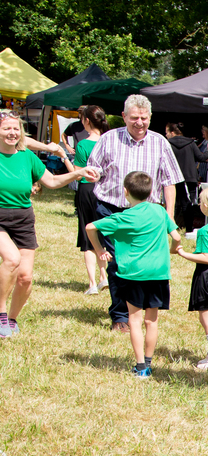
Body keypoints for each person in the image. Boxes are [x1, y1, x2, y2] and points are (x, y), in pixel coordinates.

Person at [87, 94, 184, 334]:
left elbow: (169, 181)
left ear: (150, 117)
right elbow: (93, 170)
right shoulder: (109, 139)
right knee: (117, 262)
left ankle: (141, 309)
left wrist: (168, 216)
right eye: (134, 118)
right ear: (123, 117)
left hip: (146, 213)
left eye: (143, 118)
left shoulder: (160, 142)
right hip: (112, 208)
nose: (139, 123)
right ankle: (120, 315)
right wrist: (90, 174)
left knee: (141, 263)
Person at [0, 110, 98, 339]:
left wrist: (78, 173)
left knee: (25, 277)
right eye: (7, 128)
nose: (12, 133)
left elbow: (52, 181)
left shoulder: (27, 157)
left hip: (23, 217)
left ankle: (12, 319)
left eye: (16, 129)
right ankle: (1, 314)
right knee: (12, 260)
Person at [86, 171, 181, 376]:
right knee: (152, 321)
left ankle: (140, 367)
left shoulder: (122, 217)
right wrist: (174, 248)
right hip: (158, 274)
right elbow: (177, 236)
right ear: (151, 192)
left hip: (132, 275)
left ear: (125, 191)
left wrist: (100, 250)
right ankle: (149, 362)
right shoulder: (159, 211)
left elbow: (90, 227)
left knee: (135, 320)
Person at [176, 185, 208, 370]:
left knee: (205, 317)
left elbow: (207, 257)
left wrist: (183, 253)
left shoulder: (206, 230)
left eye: (201, 201)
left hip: (206, 275)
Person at [73, 105, 109, 295]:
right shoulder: (109, 141)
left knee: (87, 237)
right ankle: (104, 277)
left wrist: (64, 159)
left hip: (87, 189)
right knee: (101, 233)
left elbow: (77, 175)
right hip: (104, 190)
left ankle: (92, 283)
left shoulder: (82, 144)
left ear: (86, 121)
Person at [165, 122, 207, 231]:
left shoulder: (167, 144)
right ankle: (189, 228)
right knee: (188, 204)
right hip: (190, 178)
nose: (166, 135)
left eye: (167, 132)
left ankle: (171, 228)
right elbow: (201, 158)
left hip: (173, 178)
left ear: (172, 132)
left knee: (172, 203)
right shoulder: (191, 143)